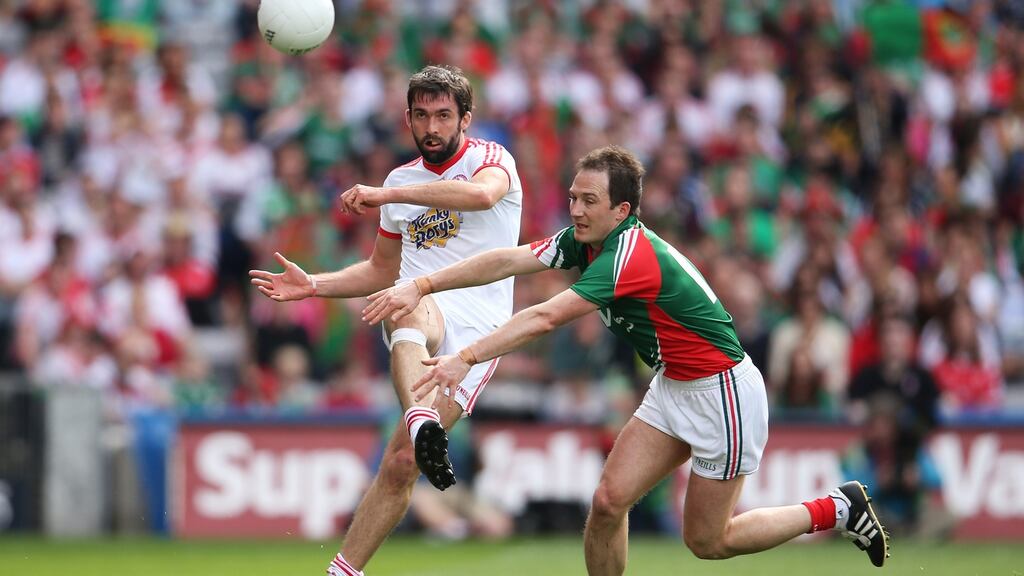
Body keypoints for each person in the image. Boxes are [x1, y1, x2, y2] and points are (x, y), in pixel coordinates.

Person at [363, 146, 889, 573]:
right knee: (609, 502)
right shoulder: (587, 241)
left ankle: (838, 509)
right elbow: (511, 258)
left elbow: (546, 317)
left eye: (589, 201)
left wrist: (465, 358)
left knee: (709, 541)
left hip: (723, 391)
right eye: (572, 197)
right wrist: (424, 282)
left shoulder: (629, 256)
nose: (575, 209)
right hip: (673, 385)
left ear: (622, 211)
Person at [248, 65, 522, 576]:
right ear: (408, 119)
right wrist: (315, 285)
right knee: (404, 298)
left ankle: (415, 429)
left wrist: (388, 195)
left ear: (466, 117)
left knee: (400, 465)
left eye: (444, 115)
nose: (432, 127)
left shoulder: (491, 159)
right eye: (422, 116)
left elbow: (481, 196)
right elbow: (380, 268)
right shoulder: (401, 178)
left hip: (481, 327)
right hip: (419, 306)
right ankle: (416, 426)